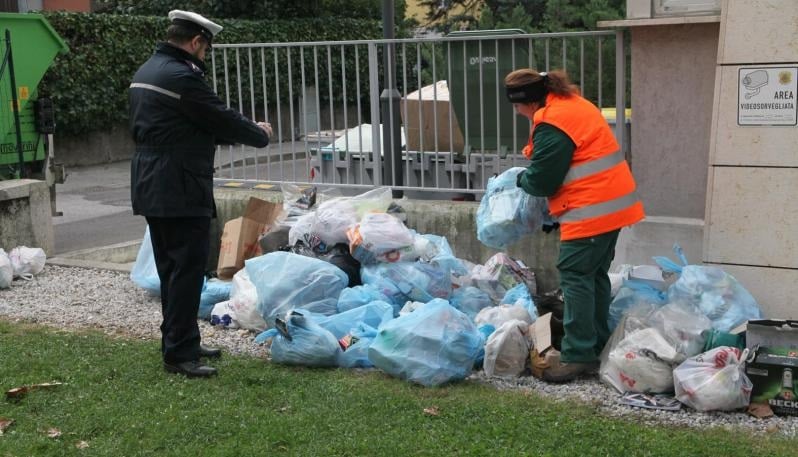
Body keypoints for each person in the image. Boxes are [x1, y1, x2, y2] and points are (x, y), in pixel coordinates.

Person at [129, 10, 272, 378]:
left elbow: (192, 125)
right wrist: (259, 134)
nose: (204, 56)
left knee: (172, 270)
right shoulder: (182, 77)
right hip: (179, 186)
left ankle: (181, 342)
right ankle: (180, 354)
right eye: (205, 49)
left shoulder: (149, 70)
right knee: (187, 271)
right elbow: (219, 116)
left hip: (152, 182)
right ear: (195, 42)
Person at [504, 69, 644, 382]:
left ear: (528, 101)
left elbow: (543, 179)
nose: (517, 112)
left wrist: (522, 179)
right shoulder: (573, 104)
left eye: (516, 106)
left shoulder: (552, 122)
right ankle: (596, 345)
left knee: (576, 277)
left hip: (591, 210)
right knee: (593, 276)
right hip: (612, 206)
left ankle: (577, 354)